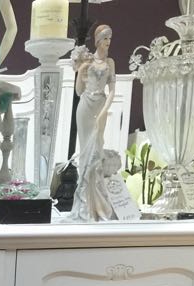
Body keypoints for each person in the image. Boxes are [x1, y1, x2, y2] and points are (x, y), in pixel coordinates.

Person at [71, 24, 116, 222]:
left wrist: (104, 111)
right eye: (105, 38)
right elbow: (78, 91)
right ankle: (85, 206)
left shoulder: (110, 63)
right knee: (85, 155)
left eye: (110, 39)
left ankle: (98, 205)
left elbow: (112, 90)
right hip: (85, 107)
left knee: (97, 153)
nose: (108, 42)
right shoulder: (87, 63)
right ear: (98, 40)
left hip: (100, 106)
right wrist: (80, 71)